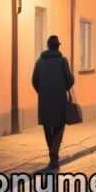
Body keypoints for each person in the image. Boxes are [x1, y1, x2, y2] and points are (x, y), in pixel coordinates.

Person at [32, 35, 75, 169]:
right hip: (59, 99)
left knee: (47, 125)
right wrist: (64, 87)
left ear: (48, 46)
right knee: (60, 126)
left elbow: (34, 80)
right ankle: (54, 152)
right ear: (57, 47)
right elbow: (70, 79)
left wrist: (42, 90)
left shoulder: (39, 62)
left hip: (44, 99)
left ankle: (52, 155)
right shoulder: (63, 61)